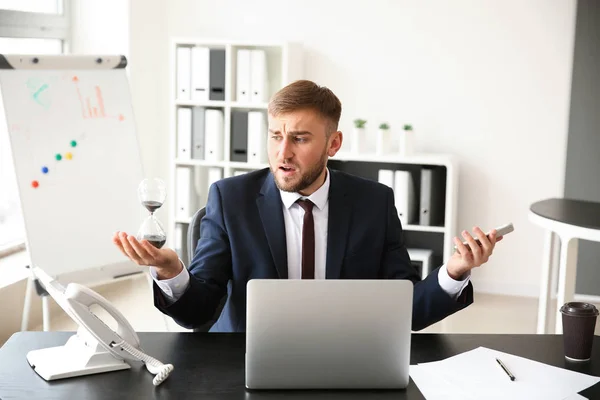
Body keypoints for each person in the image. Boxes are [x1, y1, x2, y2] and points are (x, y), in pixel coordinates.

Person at [113, 79, 503, 332]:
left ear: (333, 144)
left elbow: (404, 311)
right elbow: (200, 312)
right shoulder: (229, 199)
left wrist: (453, 272)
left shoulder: (374, 203)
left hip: (346, 358)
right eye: (276, 136)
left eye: (299, 139)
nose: (283, 153)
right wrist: (172, 270)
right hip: (244, 358)